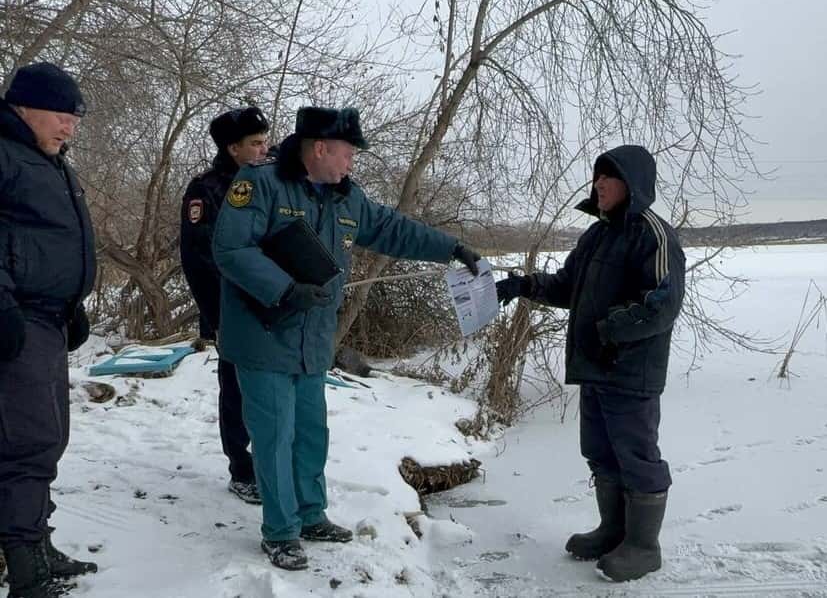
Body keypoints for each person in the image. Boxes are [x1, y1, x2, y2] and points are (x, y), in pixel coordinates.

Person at [212, 106, 481, 570]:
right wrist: (285, 289)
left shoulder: (345, 198)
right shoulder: (261, 184)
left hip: (312, 339)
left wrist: (451, 247)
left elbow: (392, 229)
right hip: (263, 334)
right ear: (320, 149)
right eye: (348, 153)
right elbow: (231, 248)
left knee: (310, 433)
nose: (352, 162)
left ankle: (311, 515)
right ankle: (280, 532)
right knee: (274, 437)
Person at [495, 145, 685, 582]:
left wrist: (608, 330)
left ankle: (643, 547)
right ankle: (613, 531)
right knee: (600, 453)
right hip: (595, 369)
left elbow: (661, 304)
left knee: (636, 456)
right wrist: (524, 285)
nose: (597, 184)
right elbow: (568, 287)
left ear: (631, 183)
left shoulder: (654, 236)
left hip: (630, 372)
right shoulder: (596, 236)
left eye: (607, 176)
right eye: (596, 176)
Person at [0, 62, 98, 598]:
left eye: (75, 119)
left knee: (50, 437)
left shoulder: (48, 160)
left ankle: (38, 541)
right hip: (18, 317)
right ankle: (25, 569)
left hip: (48, 317)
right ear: (24, 107)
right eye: (61, 115)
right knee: (28, 441)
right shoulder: (5, 154)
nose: (69, 126)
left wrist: (70, 302)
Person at [180, 106, 270, 505]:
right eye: (256, 143)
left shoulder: (270, 182)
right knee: (235, 390)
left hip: (271, 306)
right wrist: (215, 316)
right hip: (229, 308)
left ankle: (269, 464)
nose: (264, 149)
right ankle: (242, 469)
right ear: (233, 148)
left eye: (266, 141)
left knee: (268, 391)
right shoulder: (207, 190)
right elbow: (197, 259)